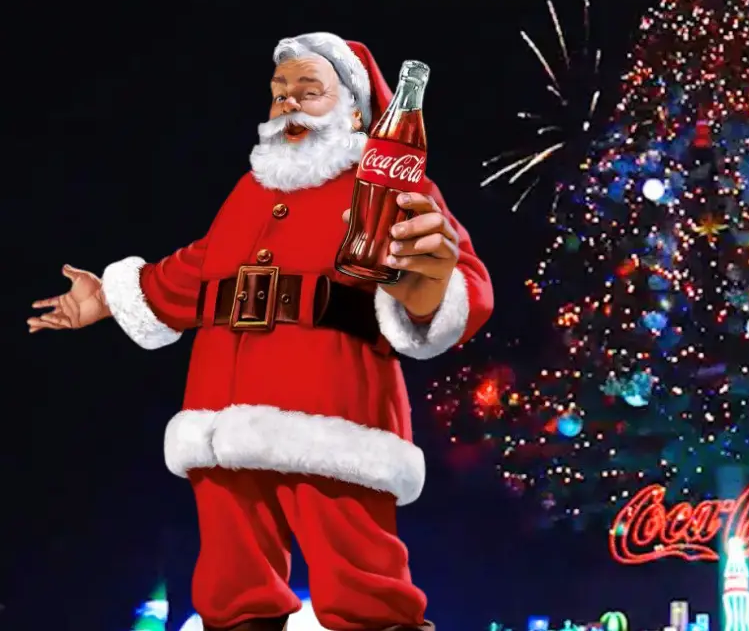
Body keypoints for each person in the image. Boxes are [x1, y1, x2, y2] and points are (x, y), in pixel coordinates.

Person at [27, 32, 493, 631]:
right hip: (222, 413)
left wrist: (428, 282)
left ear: (355, 110)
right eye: (279, 95)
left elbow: (462, 283)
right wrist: (115, 298)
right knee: (231, 586)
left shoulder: (389, 184)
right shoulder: (251, 192)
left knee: (362, 582)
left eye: (309, 91)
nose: (289, 106)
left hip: (333, 413)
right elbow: (199, 269)